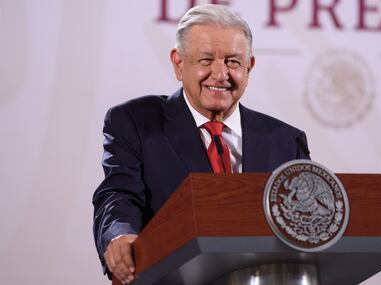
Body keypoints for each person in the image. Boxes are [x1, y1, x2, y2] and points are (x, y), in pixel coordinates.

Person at [93, 4, 310, 284]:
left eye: (233, 62)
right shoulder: (135, 122)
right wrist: (120, 234)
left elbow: (307, 222)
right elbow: (119, 193)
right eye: (206, 60)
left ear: (249, 66)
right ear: (179, 63)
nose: (220, 75)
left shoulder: (286, 140)